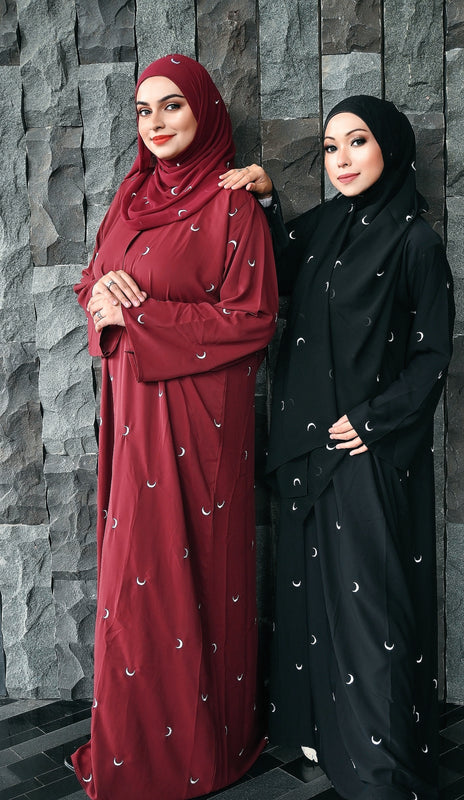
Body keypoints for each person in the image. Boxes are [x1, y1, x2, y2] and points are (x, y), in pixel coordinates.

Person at [219, 95, 454, 799]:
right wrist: (266, 202)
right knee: (310, 600)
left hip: (365, 453)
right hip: (305, 450)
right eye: (330, 147)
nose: (341, 160)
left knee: (369, 611)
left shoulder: (415, 242)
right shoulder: (323, 226)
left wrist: (375, 420)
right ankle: (322, 730)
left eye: (357, 142)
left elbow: (431, 356)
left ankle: (380, 766)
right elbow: (274, 271)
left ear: (391, 148)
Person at [69, 54, 278, 800]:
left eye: (172, 107)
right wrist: (103, 296)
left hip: (199, 426)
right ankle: (134, 741)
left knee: (194, 575)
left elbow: (253, 320)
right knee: (135, 578)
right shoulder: (128, 198)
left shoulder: (232, 206)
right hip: (132, 418)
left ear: (205, 113)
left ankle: (201, 747)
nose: (155, 123)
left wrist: (141, 316)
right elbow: (93, 285)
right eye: (143, 110)